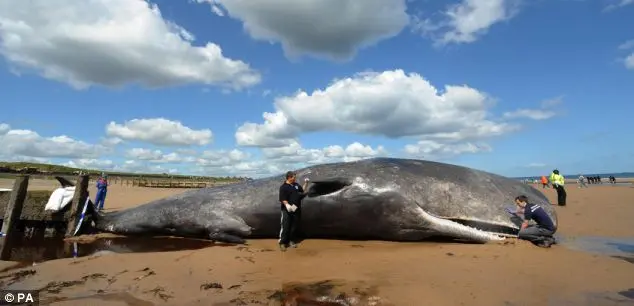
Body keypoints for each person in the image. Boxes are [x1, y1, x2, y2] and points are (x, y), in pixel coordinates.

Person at [278, 171, 309, 251]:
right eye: (294, 177)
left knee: (294, 226)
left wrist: (306, 183)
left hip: (296, 208)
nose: (295, 178)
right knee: (285, 226)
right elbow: (282, 198)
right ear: (289, 177)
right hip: (286, 209)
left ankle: (291, 240)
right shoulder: (283, 187)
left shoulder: (296, 185)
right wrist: (287, 205)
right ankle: (282, 243)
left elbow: (302, 191)